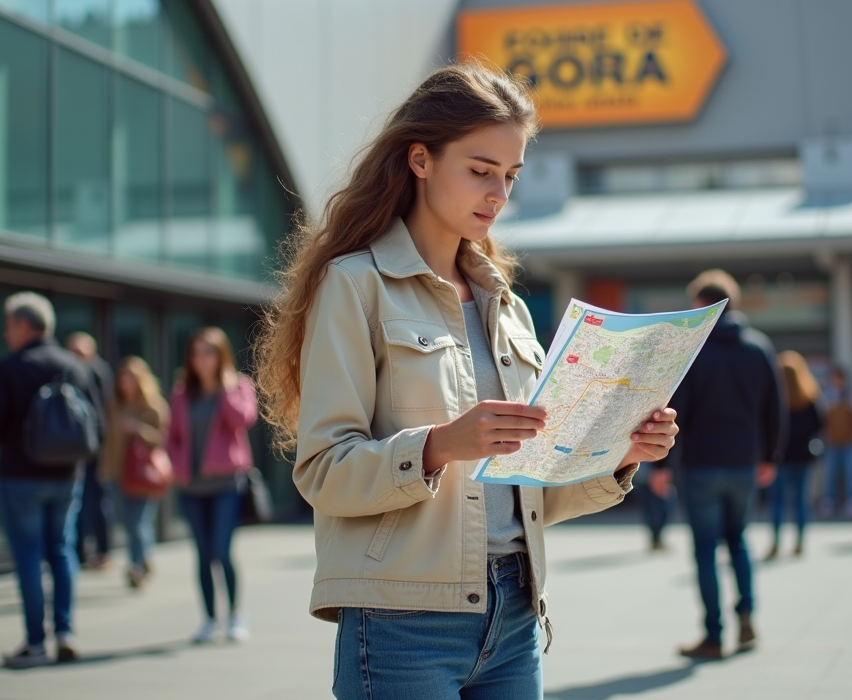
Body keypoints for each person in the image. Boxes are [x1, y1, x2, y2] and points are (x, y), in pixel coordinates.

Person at [254, 62, 678, 699]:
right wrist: (440, 446)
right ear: (420, 160)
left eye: (510, 176)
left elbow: (532, 489)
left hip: (515, 613)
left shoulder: (502, 303)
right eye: (480, 170)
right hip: (403, 623)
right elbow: (322, 472)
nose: (498, 193)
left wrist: (619, 453)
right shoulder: (354, 285)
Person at [656, 268, 785, 661]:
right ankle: (747, 618)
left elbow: (678, 411)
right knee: (739, 539)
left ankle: (713, 635)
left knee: (706, 549)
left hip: (700, 464)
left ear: (701, 304)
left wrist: (663, 465)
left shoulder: (694, 348)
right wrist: (770, 458)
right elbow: (775, 408)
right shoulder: (759, 347)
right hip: (745, 462)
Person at [0, 292, 102, 668]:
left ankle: (35, 643)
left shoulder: (10, 368)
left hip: (20, 477)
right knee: (62, 550)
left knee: (29, 556)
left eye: (8, 326)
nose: (4, 334)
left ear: (23, 325)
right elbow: (100, 427)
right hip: (67, 476)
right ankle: (66, 633)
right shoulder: (75, 366)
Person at [166, 327, 258, 645]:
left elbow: (244, 419)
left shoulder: (237, 385)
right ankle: (208, 619)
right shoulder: (181, 392)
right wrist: (175, 466)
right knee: (203, 555)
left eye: (208, 353)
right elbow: (173, 436)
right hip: (191, 486)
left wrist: (226, 387)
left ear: (220, 356)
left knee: (222, 551)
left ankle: (235, 615)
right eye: (196, 353)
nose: (200, 359)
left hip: (225, 485)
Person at [99, 356, 169, 589]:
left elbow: (163, 440)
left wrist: (138, 429)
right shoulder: (115, 406)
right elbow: (108, 442)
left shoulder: (153, 406)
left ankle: (135, 566)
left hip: (144, 473)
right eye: (122, 378)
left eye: (130, 378)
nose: (125, 383)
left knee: (138, 521)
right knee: (130, 523)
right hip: (119, 473)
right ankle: (144, 556)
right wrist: (105, 469)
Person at [65, 332, 115, 570]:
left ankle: (103, 550)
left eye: (80, 353)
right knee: (78, 504)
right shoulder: (66, 374)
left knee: (97, 502)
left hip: (94, 449)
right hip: (73, 450)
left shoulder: (97, 372)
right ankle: (80, 552)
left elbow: (103, 412)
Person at [766, 351, 823, 559]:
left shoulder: (775, 399)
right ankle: (799, 542)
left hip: (779, 456)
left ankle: (775, 543)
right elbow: (819, 425)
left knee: (777, 501)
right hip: (802, 457)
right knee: (800, 500)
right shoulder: (809, 396)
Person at [819, 366, 852, 518]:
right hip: (831, 441)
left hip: (850, 441)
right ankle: (829, 502)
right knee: (830, 474)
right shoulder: (825, 395)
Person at [636, 462, 676, 551]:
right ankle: (656, 537)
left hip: (656, 469)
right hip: (652, 469)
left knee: (658, 507)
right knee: (657, 507)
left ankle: (656, 537)